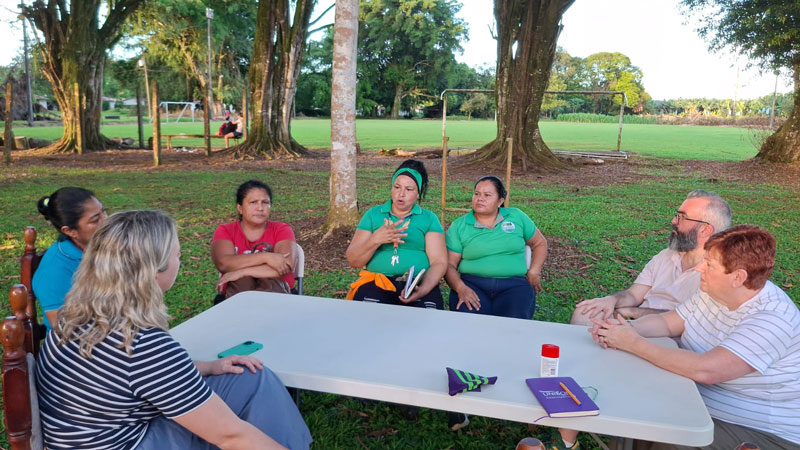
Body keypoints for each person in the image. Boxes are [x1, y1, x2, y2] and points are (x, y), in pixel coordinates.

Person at [35, 210, 312, 450]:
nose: (181, 262)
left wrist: (209, 367)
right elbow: (231, 436)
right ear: (152, 270)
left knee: (251, 376)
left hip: (95, 436)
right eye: (177, 255)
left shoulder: (76, 315)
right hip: (131, 441)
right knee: (237, 426)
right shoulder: (142, 344)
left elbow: (134, 377)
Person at [588, 225, 800, 450]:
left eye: (709, 264)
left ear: (738, 277)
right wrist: (620, 330)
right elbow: (668, 323)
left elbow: (705, 370)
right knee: (634, 409)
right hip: (697, 401)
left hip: (758, 428)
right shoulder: (715, 292)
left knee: (670, 440)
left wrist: (633, 342)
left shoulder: (772, 319)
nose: (700, 268)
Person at [570, 190, 731, 326]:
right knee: (584, 313)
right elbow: (633, 295)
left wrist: (634, 313)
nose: (673, 221)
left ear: (705, 230)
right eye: (676, 215)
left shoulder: (720, 271)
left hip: (671, 334)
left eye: (682, 217)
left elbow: (689, 319)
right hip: (635, 321)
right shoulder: (666, 255)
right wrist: (610, 300)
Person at [345, 159, 447, 310]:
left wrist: (423, 290)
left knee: (428, 322)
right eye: (397, 187)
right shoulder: (374, 214)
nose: (401, 194)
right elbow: (354, 260)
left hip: (417, 285)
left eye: (409, 189)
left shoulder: (429, 218)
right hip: (377, 282)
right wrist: (375, 240)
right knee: (368, 320)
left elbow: (439, 262)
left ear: (418, 193)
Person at [444, 175, 547, 319]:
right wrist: (460, 288)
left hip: (514, 285)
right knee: (470, 323)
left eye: (487, 195)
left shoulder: (516, 216)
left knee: (514, 321)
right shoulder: (459, 226)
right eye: (477, 194)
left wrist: (534, 272)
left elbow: (540, 243)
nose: (480, 199)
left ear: (500, 201)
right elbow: (449, 265)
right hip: (472, 284)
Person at [32, 187, 107, 330]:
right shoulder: (54, 272)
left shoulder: (98, 248)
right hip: (78, 345)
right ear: (70, 231)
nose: (106, 221)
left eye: (103, 212)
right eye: (96, 220)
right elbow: (67, 331)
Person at [212, 180, 296, 299]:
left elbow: (286, 266)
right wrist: (266, 257)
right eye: (253, 202)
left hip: (279, 295)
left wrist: (241, 272)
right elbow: (223, 263)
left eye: (265, 202)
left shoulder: (281, 229)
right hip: (234, 299)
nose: (260, 208)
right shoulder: (226, 230)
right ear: (240, 208)